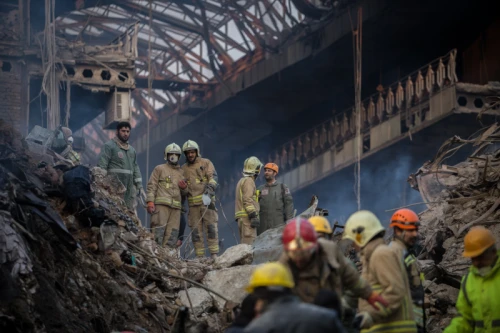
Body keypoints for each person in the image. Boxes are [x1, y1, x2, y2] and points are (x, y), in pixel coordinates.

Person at [278, 217, 387, 308]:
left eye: (305, 252)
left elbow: (350, 276)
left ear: (315, 243)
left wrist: (369, 293)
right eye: (294, 254)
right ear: (286, 250)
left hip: (330, 314)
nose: (299, 259)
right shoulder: (282, 266)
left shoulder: (330, 250)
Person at [343, 210, 417, 333]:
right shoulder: (372, 257)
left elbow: (395, 291)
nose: (353, 245)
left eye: (353, 240)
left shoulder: (381, 254)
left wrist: (370, 316)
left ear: (361, 236)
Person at [243, 262, 346, 333]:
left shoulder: (257, 328)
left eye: (257, 299)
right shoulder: (326, 317)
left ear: (261, 295)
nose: (256, 306)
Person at [444, 226, 500, 333]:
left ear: (493, 252)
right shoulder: (468, 281)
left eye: (481, 257)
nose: (477, 263)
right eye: (474, 258)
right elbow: (465, 319)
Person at [181, 140, 219, 258]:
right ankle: (200, 258)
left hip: (207, 203)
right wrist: (183, 188)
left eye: (192, 152)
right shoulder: (183, 169)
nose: (190, 155)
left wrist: (210, 188)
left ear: (197, 152)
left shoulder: (206, 163)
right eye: (188, 153)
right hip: (193, 207)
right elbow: (184, 191)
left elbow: (213, 177)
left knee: (211, 228)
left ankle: (214, 255)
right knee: (196, 233)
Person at [389, 209, 425, 332]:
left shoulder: (407, 254)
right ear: (397, 231)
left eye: (416, 230)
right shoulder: (392, 255)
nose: (415, 234)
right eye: (410, 230)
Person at [146, 143, 187, 248]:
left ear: (179, 156)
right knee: (158, 233)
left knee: (172, 235)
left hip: (176, 210)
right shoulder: (159, 169)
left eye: (176, 154)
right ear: (166, 155)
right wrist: (150, 201)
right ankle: (155, 257)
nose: (173, 156)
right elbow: (152, 185)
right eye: (171, 154)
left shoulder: (182, 173)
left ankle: (167, 259)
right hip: (161, 207)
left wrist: (184, 188)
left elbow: (185, 194)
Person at [97, 122, 143, 209]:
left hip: (129, 188)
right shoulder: (109, 146)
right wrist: (100, 182)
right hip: (113, 187)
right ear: (117, 132)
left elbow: (135, 168)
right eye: (123, 131)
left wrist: (139, 185)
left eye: (128, 131)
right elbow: (102, 165)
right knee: (115, 209)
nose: (126, 134)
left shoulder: (132, 150)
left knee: (128, 211)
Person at [257, 163, 294, 235]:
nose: (266, 172)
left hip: (277, 224)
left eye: (269, 171)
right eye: (265, 171)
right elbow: (255, 205)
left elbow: (288, 204)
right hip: (262, 227)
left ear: (275, 173)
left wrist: (289, 220)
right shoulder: (260, 189)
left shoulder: (282, 187)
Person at [235, 156, 263, 245]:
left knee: (244, 247)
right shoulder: (249, 181)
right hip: (247, 220)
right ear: (256, 170)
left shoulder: (241, 181)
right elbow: (247, 199)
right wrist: (253, 215)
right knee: (249, 248)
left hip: (242, 220)